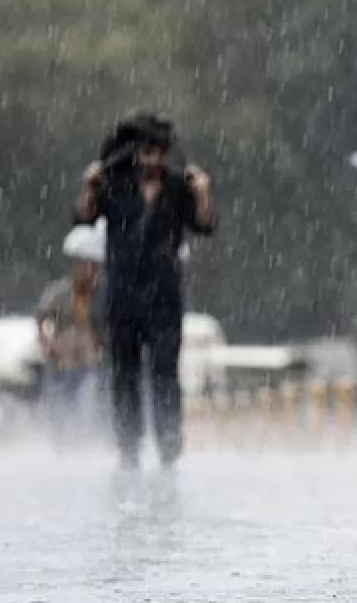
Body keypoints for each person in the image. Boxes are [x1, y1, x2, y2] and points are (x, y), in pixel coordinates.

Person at [74, 112, 216, 469]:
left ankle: (169, 445)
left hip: (165, 296)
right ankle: (128, 447)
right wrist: (90, 187)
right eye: (146, 150)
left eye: (159, 151)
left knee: (165, 372)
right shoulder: (112, 184)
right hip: (122, 293)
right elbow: (82, 218)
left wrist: (201, 193)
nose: (153, 158)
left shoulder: (177, 187)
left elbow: (206, 224)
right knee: (123, 373)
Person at [36, 257, 104, 450]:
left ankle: (82, 448)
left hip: (88, 362)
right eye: (84, 267)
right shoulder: (60, 292)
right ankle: (60, 448)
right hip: (61, 362)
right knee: (58, 410)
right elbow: (40, 315)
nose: (88, 272)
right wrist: (45, 341)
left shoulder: (99, 295)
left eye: (92, 268)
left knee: (86, 410)